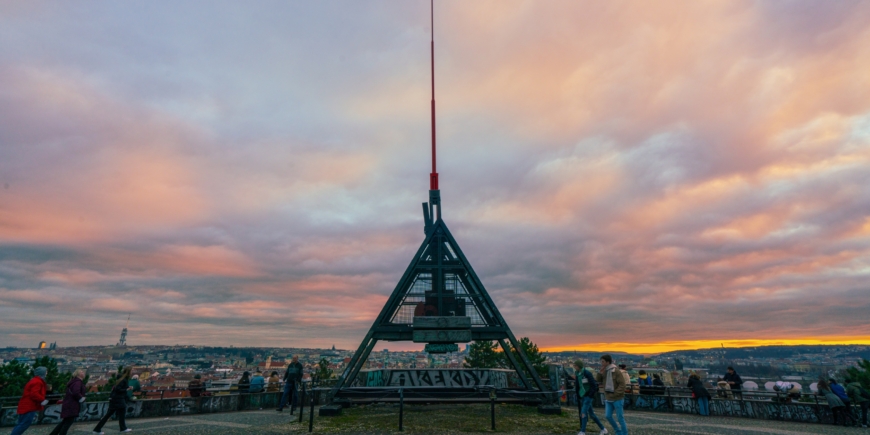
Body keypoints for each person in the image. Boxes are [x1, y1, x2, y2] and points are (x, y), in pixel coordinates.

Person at [10, 367, 49, 435]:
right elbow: (34, 394)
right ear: (42, 373)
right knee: (24, 424)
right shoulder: (38, 382)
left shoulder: (34, 380)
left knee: (21, 424)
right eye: (46, 372)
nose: (46, 373)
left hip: (25, 405)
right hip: (29, 406)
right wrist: (42, 400)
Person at [93, 367, 132, 434]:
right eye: (131, 371)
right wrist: (127, 389)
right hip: (118, 399)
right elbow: (118, 389)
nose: (132, 372)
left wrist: (126, 388)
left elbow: (117, 388)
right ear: (128, 372)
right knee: (118, 413)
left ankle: (97, 429)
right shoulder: (123, 380)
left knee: (110, 414)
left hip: (115, 399)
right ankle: (122, 428)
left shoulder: (121, 379)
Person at [572, 361, 607, 435]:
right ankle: (603, 428)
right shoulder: (578, 374)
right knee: (591, 415)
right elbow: (578, 385)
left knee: (583, 412)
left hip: (587, 396)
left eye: (575, 366)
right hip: (583, 395)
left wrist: (590, 395)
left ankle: (582, 431)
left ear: (579, 366)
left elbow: (594, 385)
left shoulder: (587, 373)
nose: (574, 367)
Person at [595, 354, 627, 435]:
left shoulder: (616, 371)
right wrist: (600, 373)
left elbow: (622, 385)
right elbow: (598, 380)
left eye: (602, 361)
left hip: (617, 398)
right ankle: (618, 431)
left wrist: (615, 393)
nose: (601, 363)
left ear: (607, 362)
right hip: (608, 398)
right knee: (608, 416)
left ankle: (624, 433)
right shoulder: (604, 371)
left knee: (620, 418)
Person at [49, 369, 87, 435]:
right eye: (81, 372)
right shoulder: (78, 382)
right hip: (72, 405)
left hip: (69, 403)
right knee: (68, 422)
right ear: (78, 374)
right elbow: (76, 392)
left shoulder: (74, 381)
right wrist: (81, 398)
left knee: (65, 421)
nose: (83, 373)